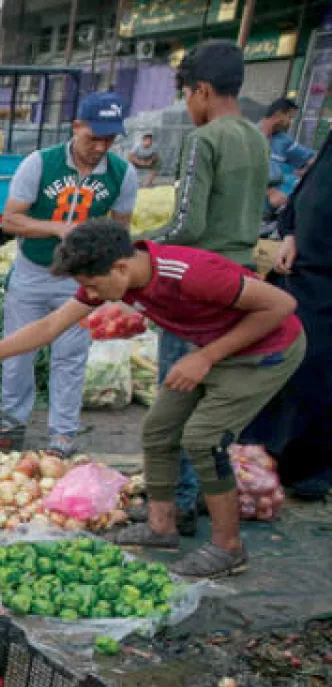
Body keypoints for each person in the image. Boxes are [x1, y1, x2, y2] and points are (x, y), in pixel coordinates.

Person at [0, 219, 303, 578]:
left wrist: (205, 358)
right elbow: (51, 326)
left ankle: (229, 548)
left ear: (120, 267)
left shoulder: (190, 273)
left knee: (204, 440)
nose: (90, 297)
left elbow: (282, 304)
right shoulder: (113, 277)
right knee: (158, 429)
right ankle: (161, 526)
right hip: (212, 347)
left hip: (265, 351)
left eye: (92, 287)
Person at [141, 41, 269, 534]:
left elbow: (187, 226)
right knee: (207, 400)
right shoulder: (257, 138)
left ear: (203, 90)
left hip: (197, 285)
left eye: (188, 96)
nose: (187, 107)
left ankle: (175, 506)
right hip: (241, 283)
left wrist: (138, 248)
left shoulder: (206, 139)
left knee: (173, 397)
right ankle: (199, 498)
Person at [0, 92, 138, 455]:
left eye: (108, 140)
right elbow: (11, 220)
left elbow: (122, 232)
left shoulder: (123, 174)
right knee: (18, 355)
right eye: (93, 137)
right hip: (32, 272)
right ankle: (12, 425)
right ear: (76, 127)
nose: (100, 147)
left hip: (81, 280)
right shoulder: (39, 164)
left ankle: (62, 436)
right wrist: (57, 228)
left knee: (71, 356)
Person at [246, 131, 332, 499]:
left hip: (328, 281)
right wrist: (291, 232)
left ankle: (308, 469)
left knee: (317, 370)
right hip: (303, 270)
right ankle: (264, 453)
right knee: (280, 360)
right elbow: (309, 187)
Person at [260, 97, 315, 211]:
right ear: (278, 114)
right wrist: (269, 193)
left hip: (273, 206)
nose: (290, 123)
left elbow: (311, 158)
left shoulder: (284, 141)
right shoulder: (249, 136)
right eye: (289, 117)